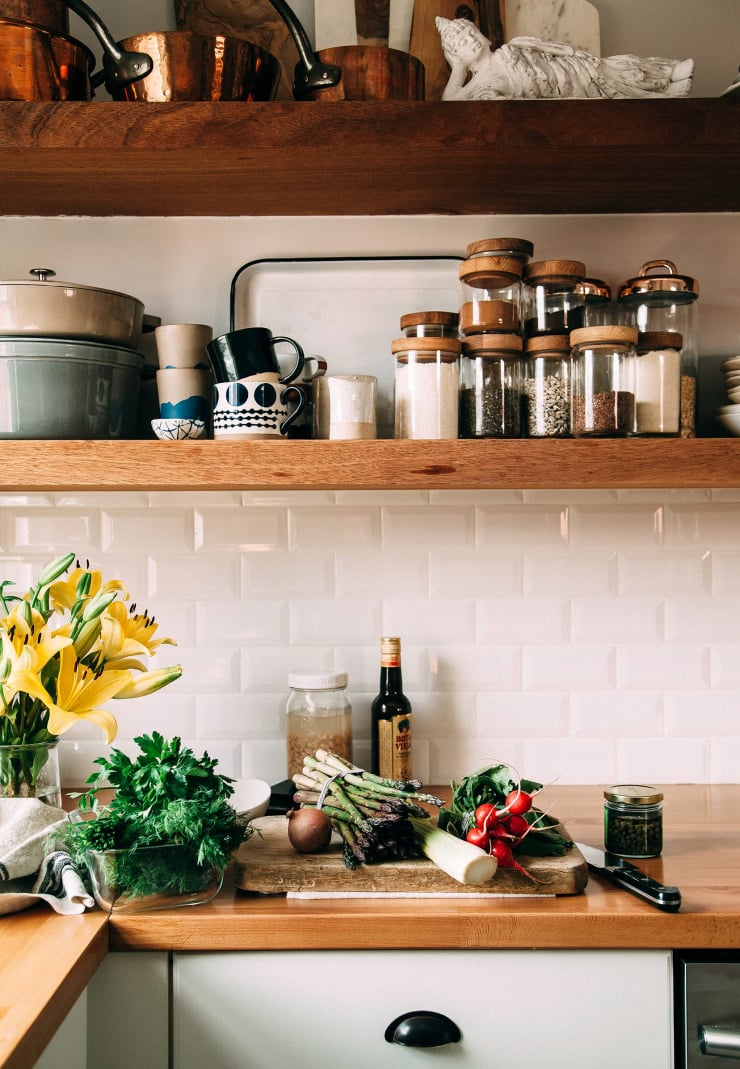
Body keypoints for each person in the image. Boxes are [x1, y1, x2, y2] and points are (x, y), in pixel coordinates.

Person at [436, 17, 694, 100]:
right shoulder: (481, 83)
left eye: (471, 33)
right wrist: (456, 66)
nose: (470, 40)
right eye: (461, 43)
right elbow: (450, 101)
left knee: (612, 69)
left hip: (569, 69)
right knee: (615, 95)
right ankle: (664, 95)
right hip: (561, 93)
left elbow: (546, 47)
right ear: (457, 55)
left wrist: (573, 53)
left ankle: (668, 71)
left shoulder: (511, 46)